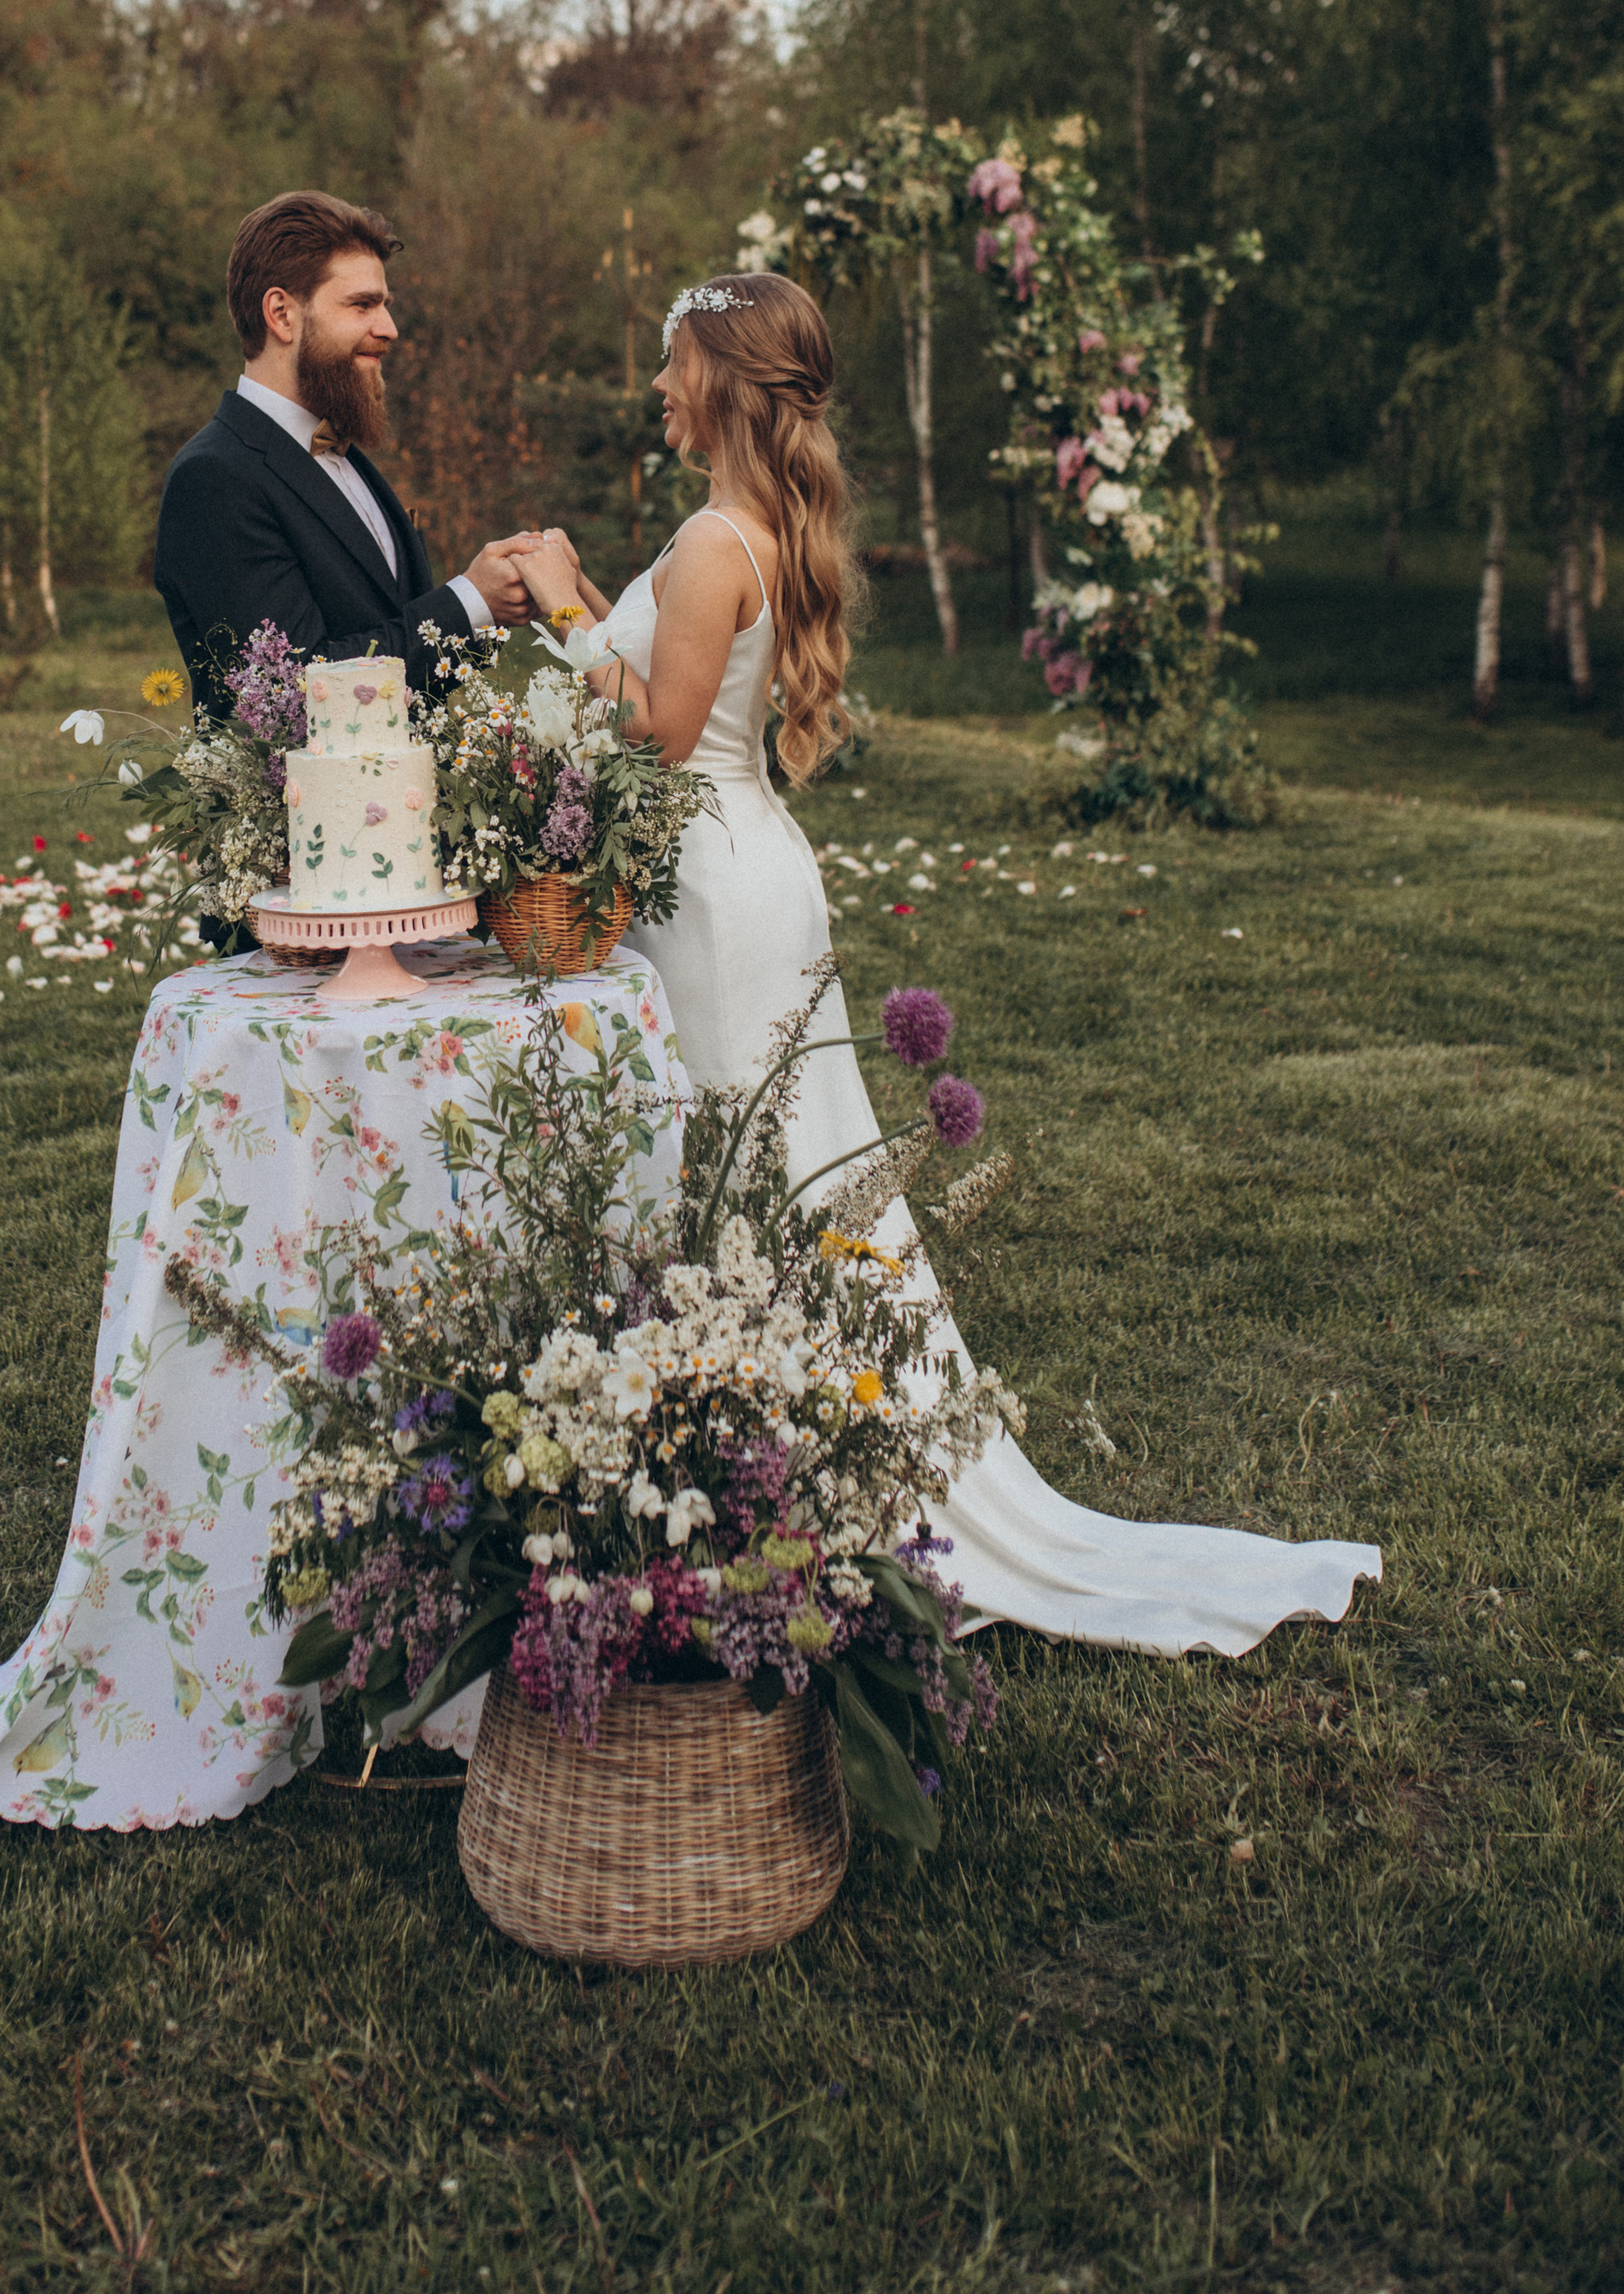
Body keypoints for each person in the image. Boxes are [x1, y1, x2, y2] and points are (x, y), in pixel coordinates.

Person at [511, 271, 1381, 1658]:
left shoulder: (713, 537)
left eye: (673, 368)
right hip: (743, 874)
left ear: (726, 385)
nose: (658, 391)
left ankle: (788, 1461)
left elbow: (658, 734)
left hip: (716, 895)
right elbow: (684, 682)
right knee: (774, 1168)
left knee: (753, 1171)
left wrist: (562, 605)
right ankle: (771, 1448)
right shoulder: (753, 531)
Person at [153, 190, 541, 709]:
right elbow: (292, 696)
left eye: (384, 305)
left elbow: (394, 653)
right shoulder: (214, 478)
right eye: (362, 305)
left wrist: (499, 599)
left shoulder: (345, 456)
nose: (389, 329)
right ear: (281, 314)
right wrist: (469, 600)